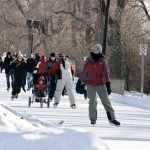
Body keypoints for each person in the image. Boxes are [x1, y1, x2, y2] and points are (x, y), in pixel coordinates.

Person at [79, 44, 120, 126]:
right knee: (92, 102)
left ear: (100, 51)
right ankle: (93, 119)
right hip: (90, 83)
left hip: (100, 84)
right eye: (94, 49)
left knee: (106, 101)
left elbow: (106, 73)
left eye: (97, 50)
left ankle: (112, 119)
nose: (96, 51)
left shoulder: (103, 60)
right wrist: (80, 82)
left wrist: (107, 83)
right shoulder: (88, 60)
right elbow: (84, 71)